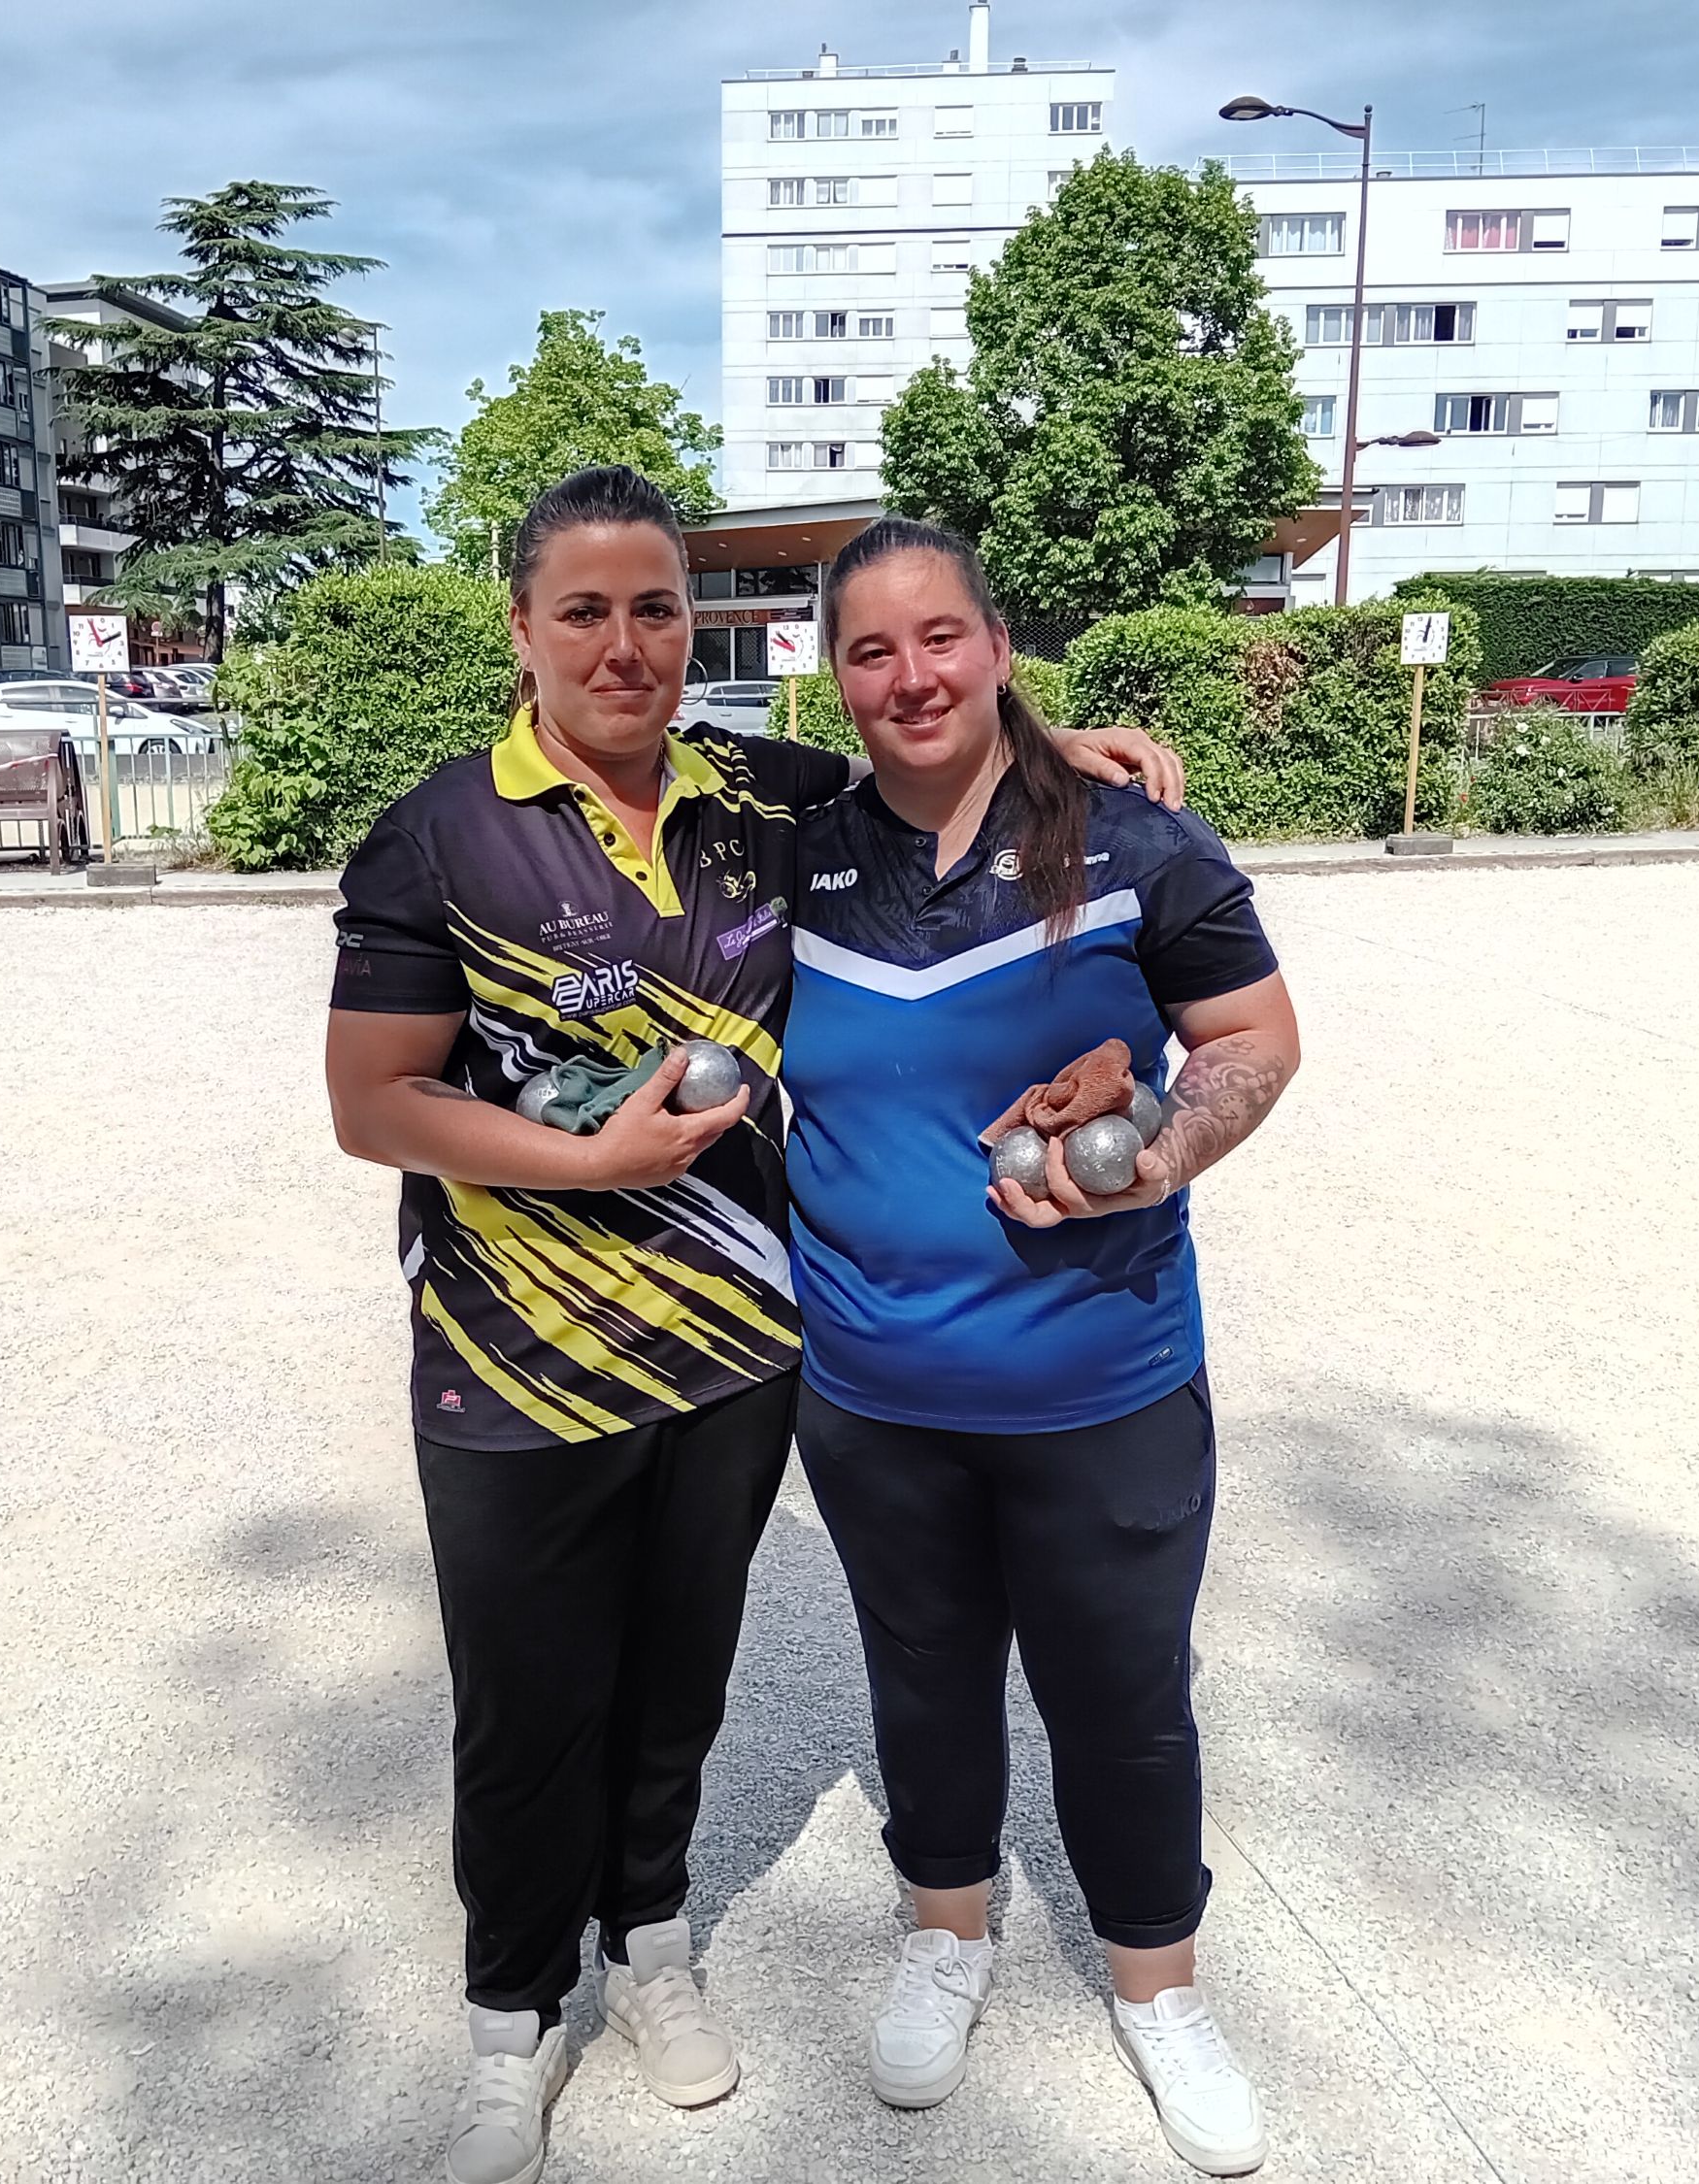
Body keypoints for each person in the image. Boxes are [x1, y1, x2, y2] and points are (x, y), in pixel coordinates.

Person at [322, 466, 1180, 2184]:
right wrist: (586, 1158)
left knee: (674, 1686)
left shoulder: (756, 798)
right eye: (587, 610)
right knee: (525, 1702)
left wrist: (1064, 737)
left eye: (658, 608)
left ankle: (648, 1954)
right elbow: (373, 1103)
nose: (627, 645)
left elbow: (927, 745)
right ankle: (512, 2022)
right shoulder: (439, 830)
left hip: (731, 1348)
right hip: (514, 1355)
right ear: (524, 629)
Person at [782, 515, 1302, 2176]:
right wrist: (1027, 731)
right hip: (872, 1387)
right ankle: (951, 1931)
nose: (909, 674)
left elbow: (1253, 1042)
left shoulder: (1143, 845)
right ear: (833, 675)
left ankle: (1159, 1990)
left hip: (1103, 1378)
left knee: (1125, 1699)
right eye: (872, 648)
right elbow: (638, 730)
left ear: (999, 645)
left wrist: (1161, 1141)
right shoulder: (789, 848)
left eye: (943, 638)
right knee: (924, 1681)